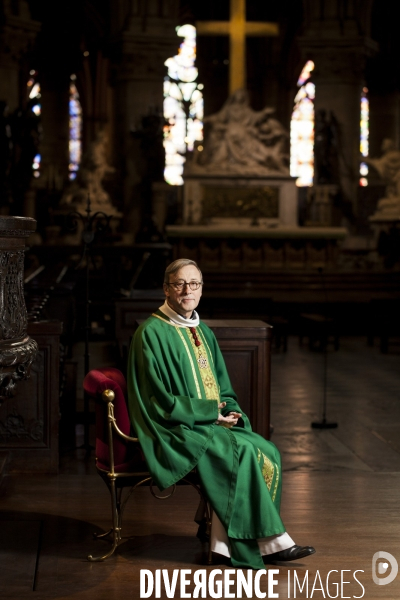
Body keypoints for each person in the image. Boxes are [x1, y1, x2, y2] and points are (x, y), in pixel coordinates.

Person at [127, 258, 315, 570]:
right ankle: (270, 543)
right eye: (179, 284)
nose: (188, 290)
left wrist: (230, 412)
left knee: (267, 450)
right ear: (166, 288)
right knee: (239, 452)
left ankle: (222, 544)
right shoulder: (151, 333)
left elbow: (222, 389)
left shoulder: (203, 332)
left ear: (201, 290)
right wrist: (208, 416)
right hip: (174, 427)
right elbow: (154, 399)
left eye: (195, 284)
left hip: (208, 423)